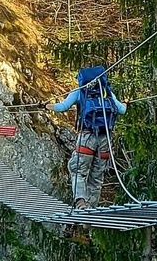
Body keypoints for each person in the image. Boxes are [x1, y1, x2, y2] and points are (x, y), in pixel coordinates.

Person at [46, 66, 127, 210]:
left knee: (78, 170)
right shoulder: (106, 92)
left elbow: (63, 106)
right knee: (96, 178)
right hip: (105, 140)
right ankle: (90, 212)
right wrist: (126, 103)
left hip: (87, 138)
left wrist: (46, 106)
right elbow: (122, 110)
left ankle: (81, 202)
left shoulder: (80, 91)